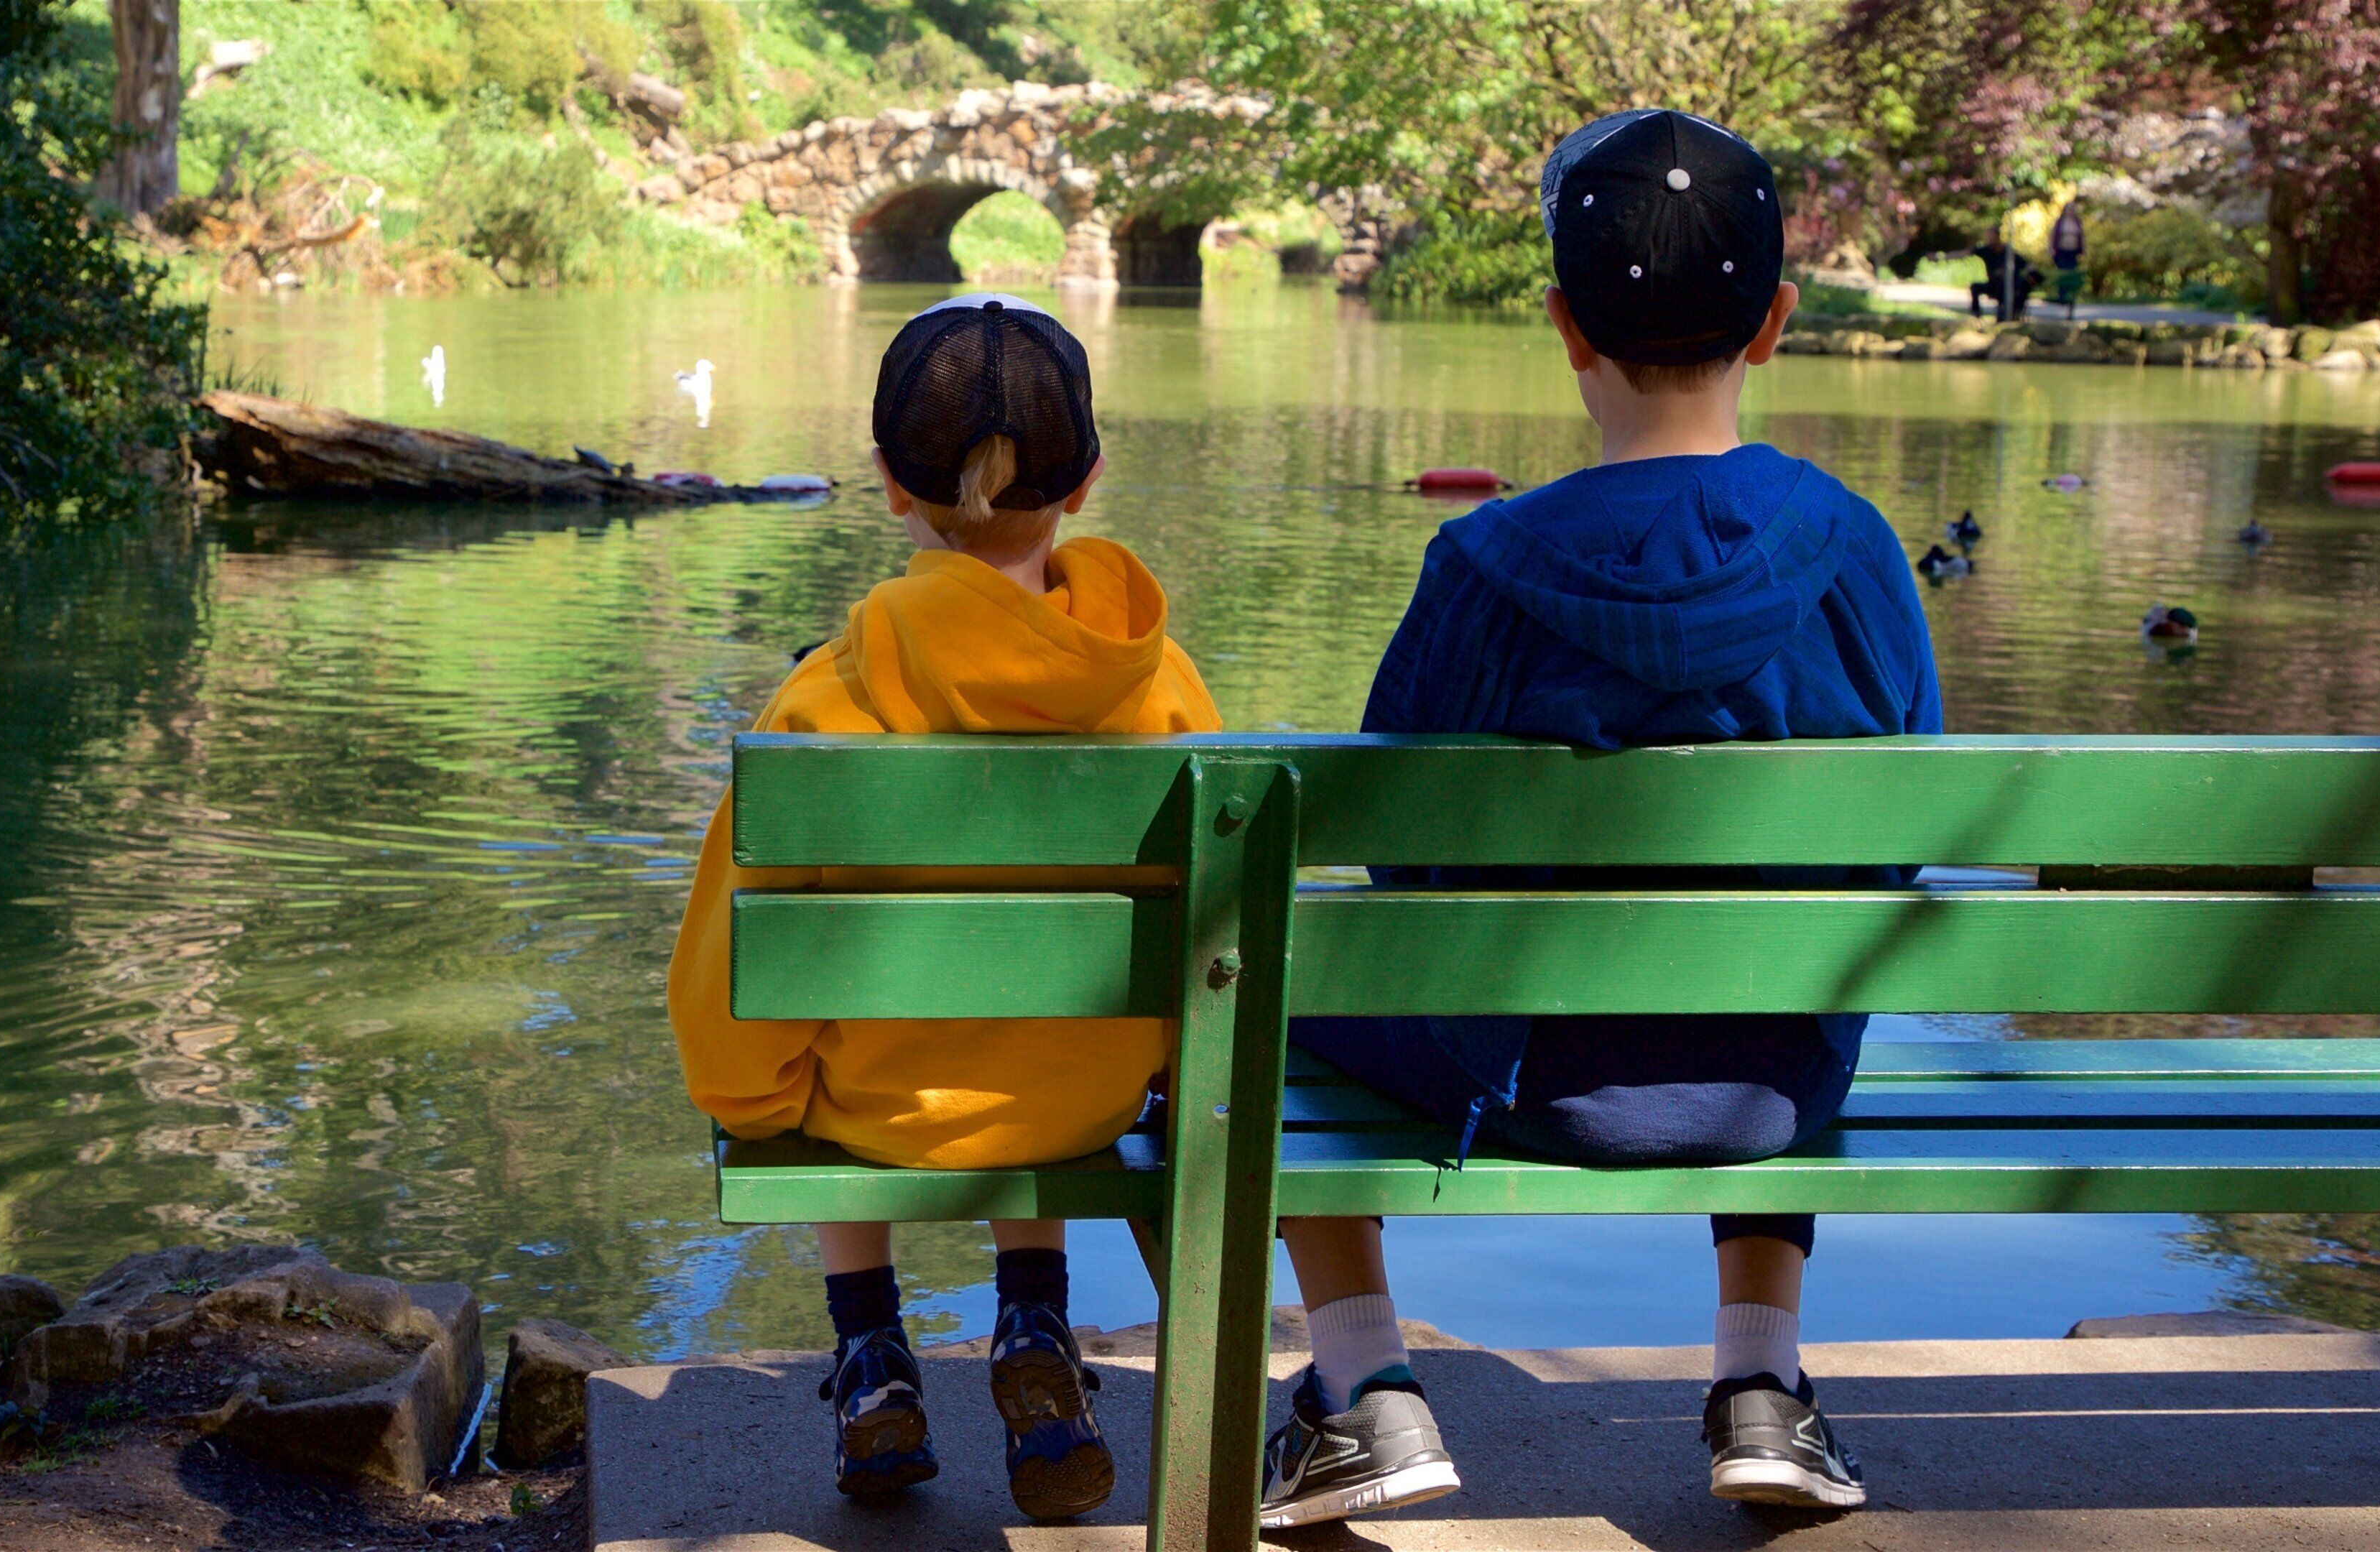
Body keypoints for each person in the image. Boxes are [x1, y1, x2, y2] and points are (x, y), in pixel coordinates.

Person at [1260, 108, 1941, 1529]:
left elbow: (1397, 836)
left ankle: (1366, 1387)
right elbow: (1901, 834)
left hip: (1526, 1079)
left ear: (1566, 326)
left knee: (1254, 986)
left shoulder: (1481, 565)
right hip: (1772, 1082)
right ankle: (1763, 1387)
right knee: (1801, 938)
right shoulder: (1859, 550)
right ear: (1777, 322)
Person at [666, 294, 1222, 1521]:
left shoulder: (821, 702)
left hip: (883, 1111)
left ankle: (872, 1360)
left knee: (818, 1051)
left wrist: (760, 1101)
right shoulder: (1166, 691)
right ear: (1086, 483)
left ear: (886, 480)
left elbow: (728, 999)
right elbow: (1208, 954)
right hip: (1086, 1102)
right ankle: (1036, 1317)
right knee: (1044, 1036)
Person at [1968, 231, 2043, 320]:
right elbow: (1967, 253)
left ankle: (2009, 314)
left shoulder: (2009, 254)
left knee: (2012, 288)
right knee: (1976, 287)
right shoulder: (1986, 251)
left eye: (1991, 237)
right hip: (1994, 285)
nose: (1989, 240)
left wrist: (2031, 271)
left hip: (2009, 286)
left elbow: (2027, 266)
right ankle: (1976, 313)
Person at [2050, 201, 2088, 318]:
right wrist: (2051, 249)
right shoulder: (2060, 222)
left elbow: (2082, 236)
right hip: (2061, 251)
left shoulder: (2077, 223)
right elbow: (2053, 236)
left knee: (2072, 273)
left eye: (2072, 209)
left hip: (2073, 252)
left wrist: (2084, 250)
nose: (2071, 211)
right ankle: (2062, 295)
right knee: (2063, 273)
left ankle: (2070, 297)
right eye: (2069, 209)